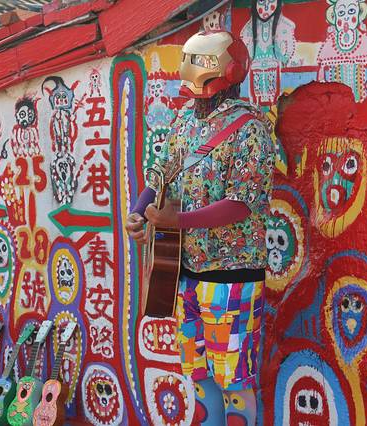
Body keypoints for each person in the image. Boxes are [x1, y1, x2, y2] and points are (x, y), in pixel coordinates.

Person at [126, 29, 274, 425]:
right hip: (185, 272)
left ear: (228, 72)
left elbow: (243, 203)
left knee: (235, 384)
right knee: (199, 377)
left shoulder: (251, 129)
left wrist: (177, 221)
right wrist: (139, 211)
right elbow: (162, 171)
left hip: (231, 277)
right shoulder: (184, 121)